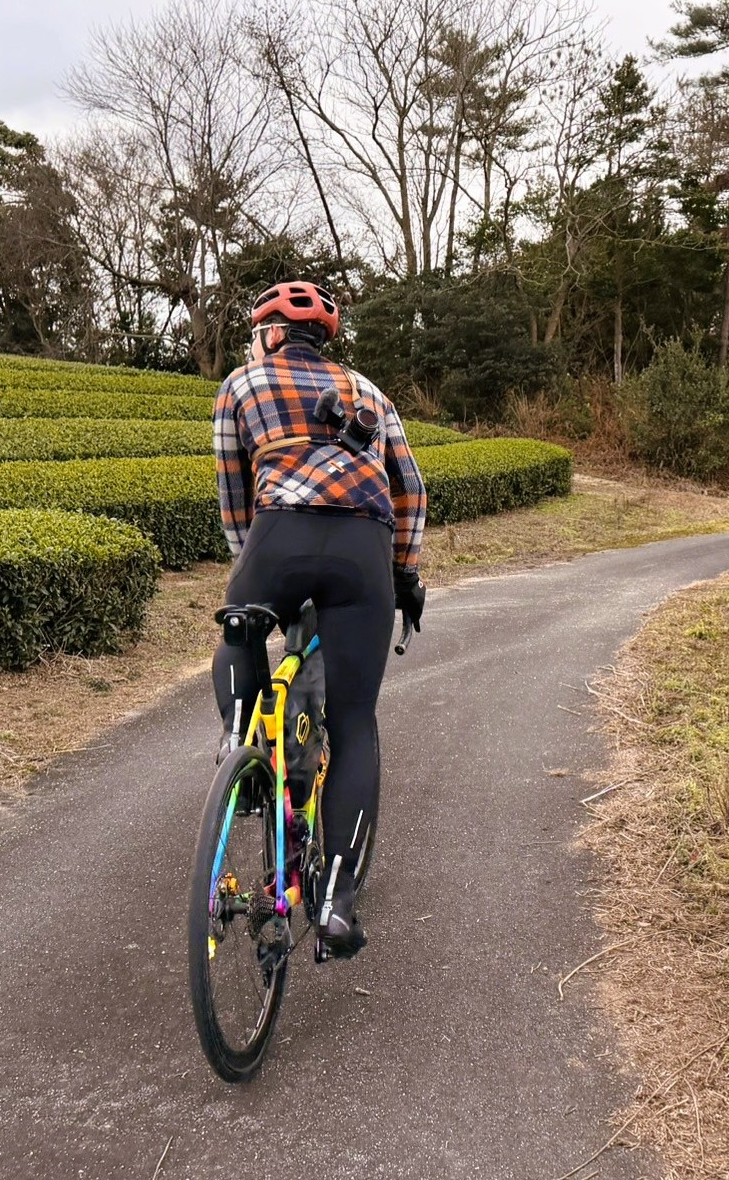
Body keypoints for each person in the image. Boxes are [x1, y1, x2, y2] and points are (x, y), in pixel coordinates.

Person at [212, 280, 427, 958]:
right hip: (363, 553)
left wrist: (254, 576)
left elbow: (234, 497)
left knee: (238, 636)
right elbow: (411, 490)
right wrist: (405, 574)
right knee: (354, 720)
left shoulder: (241, 384)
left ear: (272, 334)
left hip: (278, 537)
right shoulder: (370, 393)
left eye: (258, 335)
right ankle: (336, 902)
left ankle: (244, 758)